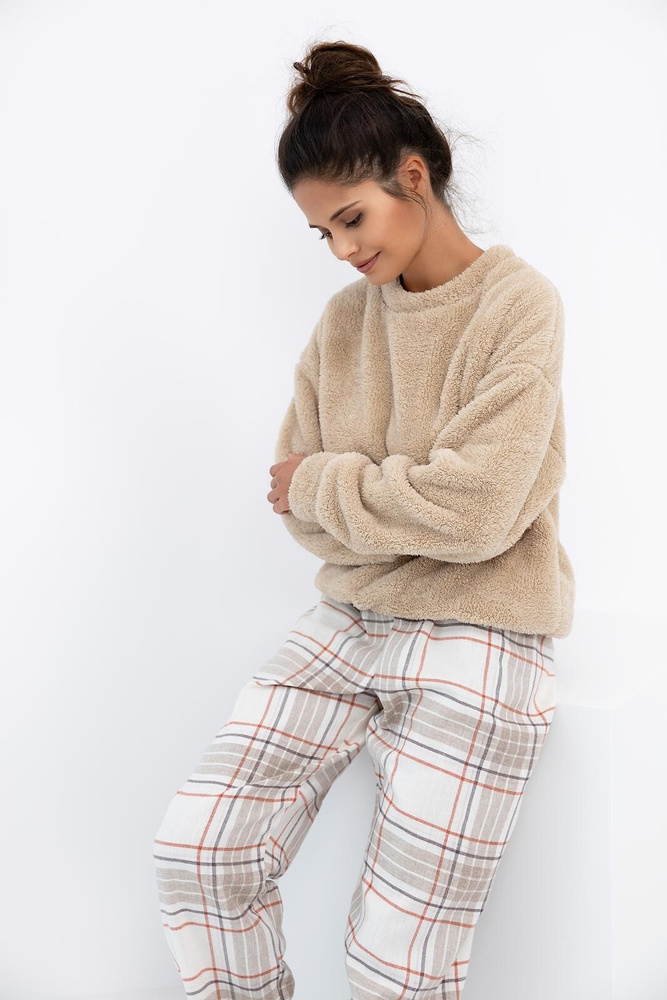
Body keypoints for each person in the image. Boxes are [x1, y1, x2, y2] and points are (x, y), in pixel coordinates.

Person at [152, 39, 574, 1000]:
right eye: (323, 234)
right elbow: (295, 509)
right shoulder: (344, 323)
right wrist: (354, 492)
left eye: (352, 218)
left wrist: (326, 483)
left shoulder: (518, 305)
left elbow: (476, 512)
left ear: (412, 178)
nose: (344, 251)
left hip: (485, 626)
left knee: (394, 964)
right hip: (347, 619)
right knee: (199, 855)